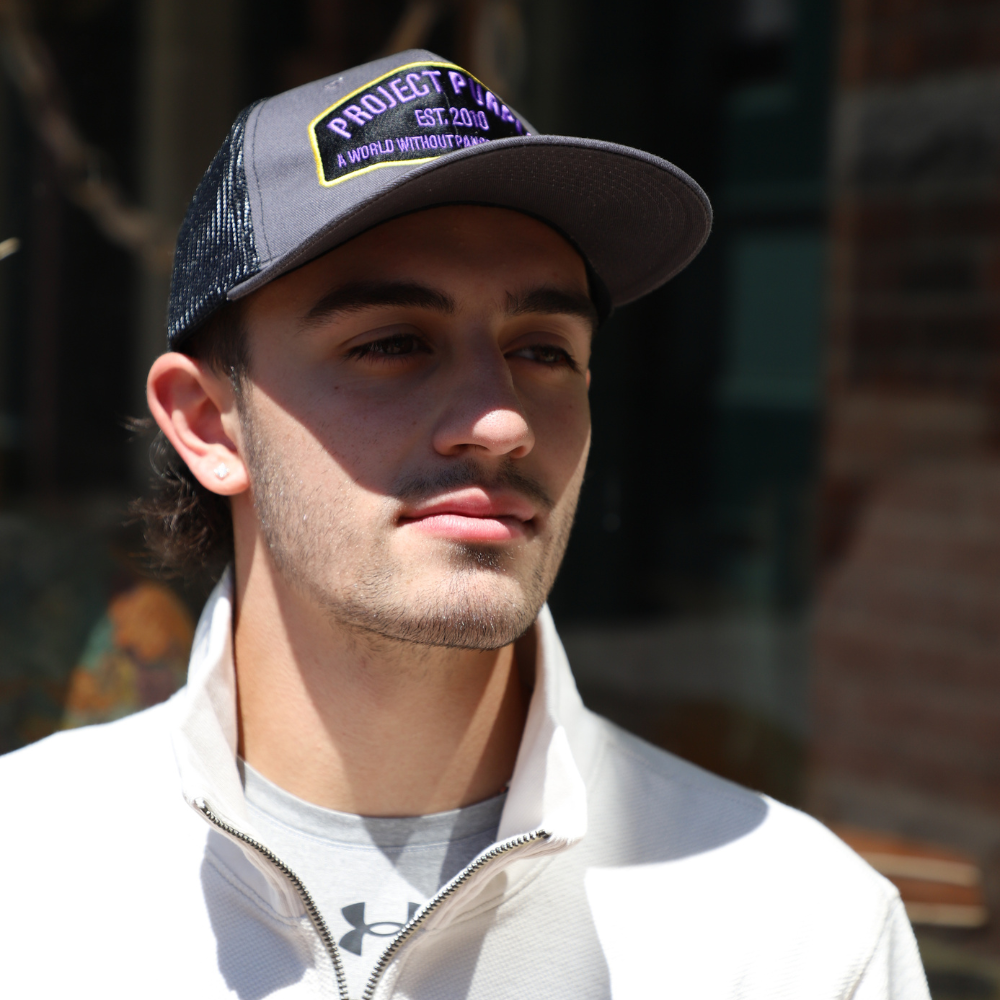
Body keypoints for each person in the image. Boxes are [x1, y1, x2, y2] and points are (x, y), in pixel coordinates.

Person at [0, 50, 928, 999]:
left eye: (542, 349)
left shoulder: (798, 932)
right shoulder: (27, 884)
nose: (503, 421)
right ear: (208, 424)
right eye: (393, 343)